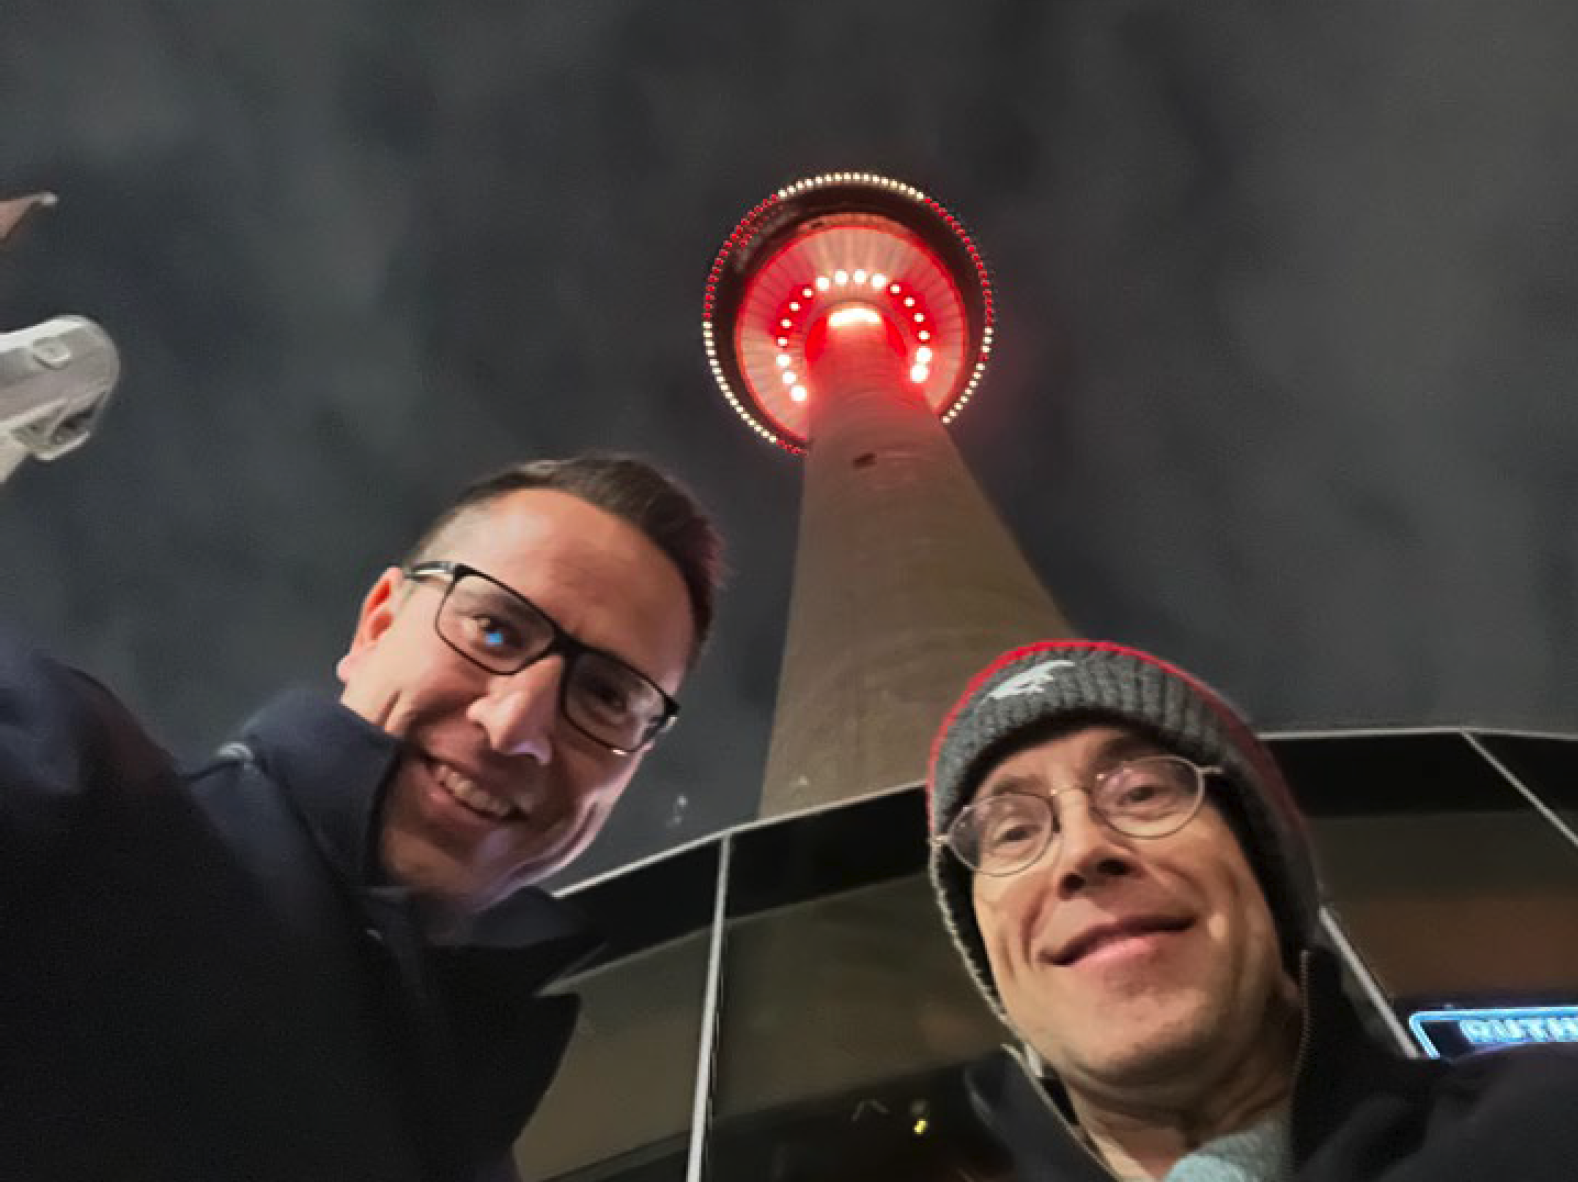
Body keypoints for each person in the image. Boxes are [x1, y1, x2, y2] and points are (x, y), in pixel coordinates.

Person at [0, 453, 722, 1182]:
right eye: (496, 632)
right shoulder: (85, 811)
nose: (515, 729)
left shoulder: (471, 1119)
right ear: (377, 624)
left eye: (605, 697)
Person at [926, 640, 1578, 1181]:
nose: (1085, 849)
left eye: (1142, 792)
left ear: (1266, 874)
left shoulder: (1548, 1132)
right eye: (1011, 832)